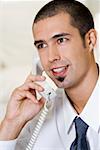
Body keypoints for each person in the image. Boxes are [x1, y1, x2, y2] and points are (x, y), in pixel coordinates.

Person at [0, 0, 100, 149]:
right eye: (42, 45)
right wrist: (11, 123)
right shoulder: (37, 120)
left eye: (61, 40)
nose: (51, 57)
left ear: (90, 40)